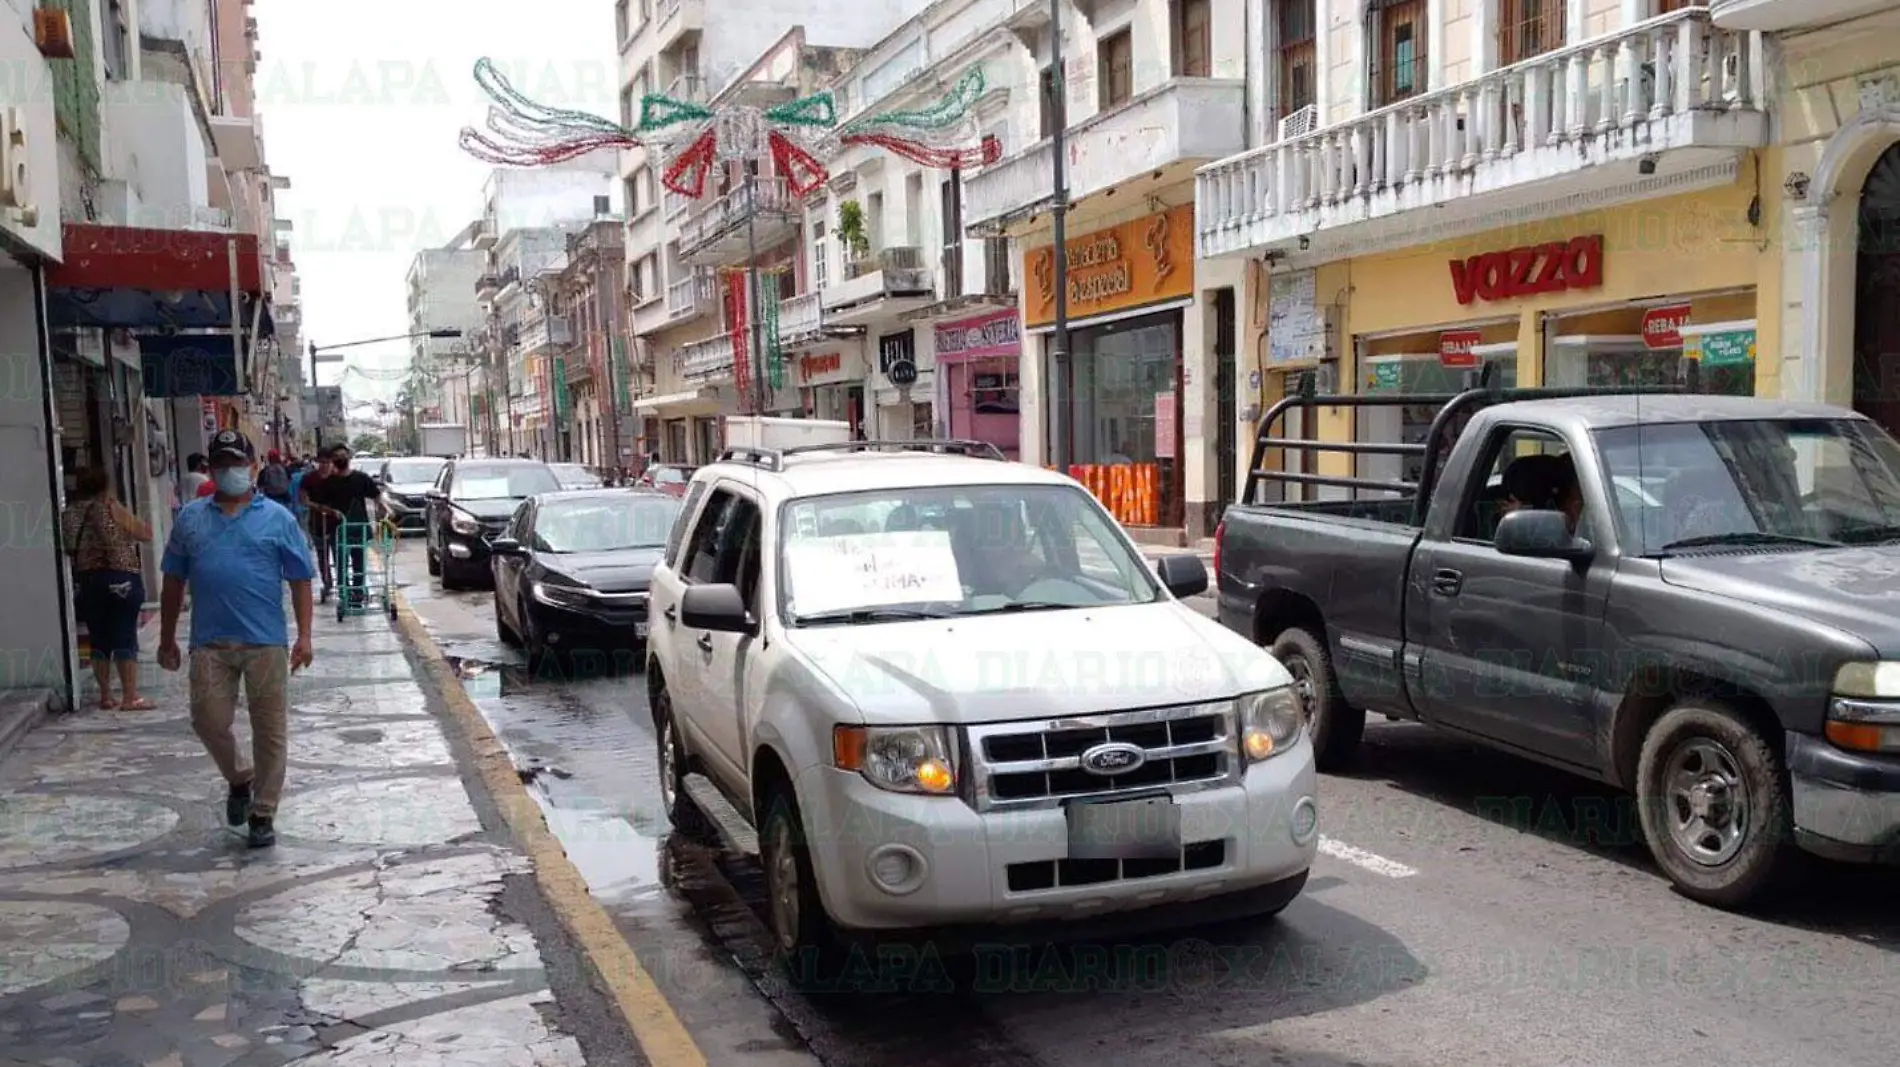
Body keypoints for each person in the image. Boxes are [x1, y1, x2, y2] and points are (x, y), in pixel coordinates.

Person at [157, 429, 316, 849]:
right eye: (222, 465)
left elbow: (300, 580)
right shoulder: (191, 518)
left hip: (266, 642)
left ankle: (263, 813)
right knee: (207, 719)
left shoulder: (277, 519)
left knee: (270, 730)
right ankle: (239, 777)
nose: (231, 472)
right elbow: (173, 579)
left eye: (237, 464)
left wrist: (305, 636)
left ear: (254, 467)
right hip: (210, 642)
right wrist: (167, 637)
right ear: (211, 469)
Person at [61, 467, 156, 710]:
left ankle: (105, 695)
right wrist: (122, 515)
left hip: (89, 579)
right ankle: (130, 696)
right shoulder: (110, 507)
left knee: (99, 637)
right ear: (105, 485)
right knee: (124, 634)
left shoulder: (69, 513)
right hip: (120, 575)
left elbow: (69, 545)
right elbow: (145, 534)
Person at [310, 443, 384, 607]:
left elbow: (376, 495)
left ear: (348, 458)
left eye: (343, 455)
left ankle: (357, 593)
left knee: (359, 562)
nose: (340, 459)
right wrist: (330, 511)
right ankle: (344, 593)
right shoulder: (329, 483)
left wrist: (383, 508)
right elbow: (319, 503)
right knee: (341, 562)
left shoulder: (361, 478)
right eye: (337, 456)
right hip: (338, 529)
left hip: (359, 528)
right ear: (333, 460)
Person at [300, 451, 339, 600]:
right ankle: (327, 582)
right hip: (317, 521)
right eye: (322, 462)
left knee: (338, 553)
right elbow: (303, 499)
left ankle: (342, 582)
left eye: (328, 463)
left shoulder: (337, 478)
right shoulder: (309, 479)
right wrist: (318, 507)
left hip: (336, 523)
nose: (325, 466)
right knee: (322, 555)